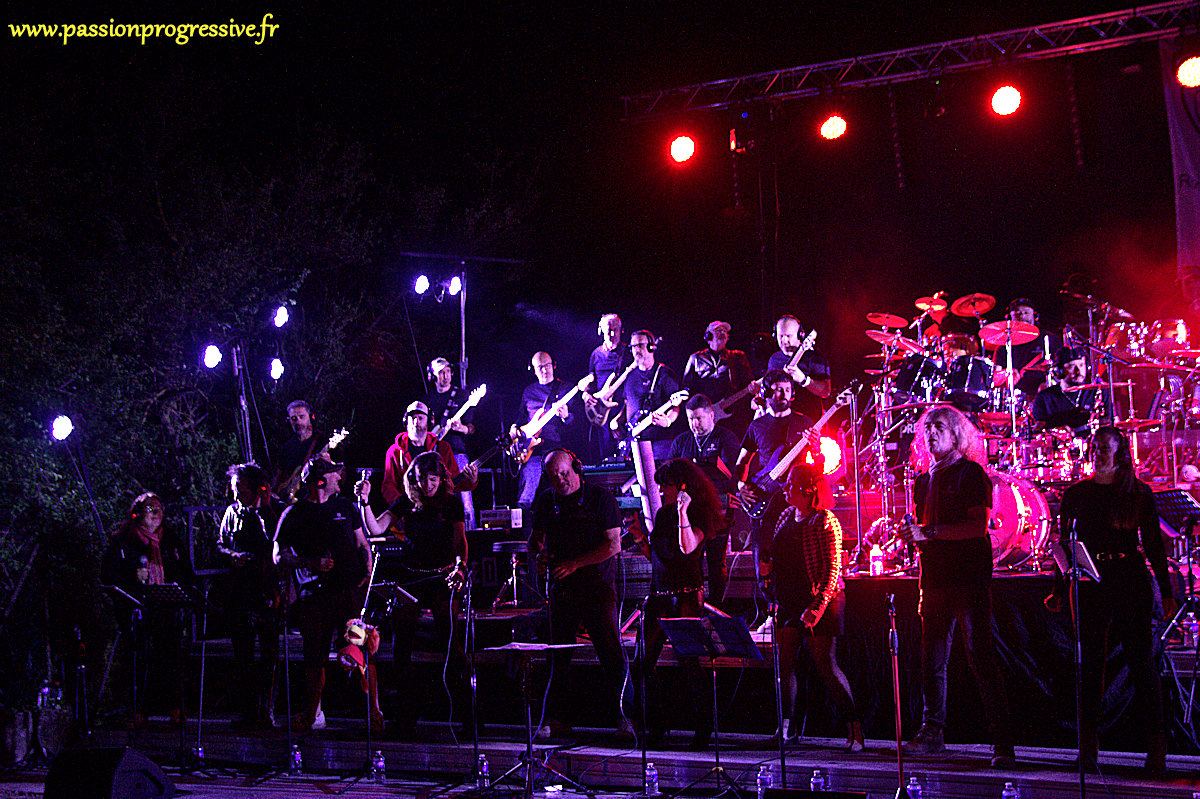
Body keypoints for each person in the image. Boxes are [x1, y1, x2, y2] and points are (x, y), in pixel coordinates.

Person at [1051, 426, 1177, 775]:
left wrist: (1166, 591)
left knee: (1141, 661)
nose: (1097, 453)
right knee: (1090, 664)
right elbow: (1066, 544)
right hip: (1091, 580)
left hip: (1128, 577)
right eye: (1095, 447)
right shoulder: (1077, 494)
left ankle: (1157, 749)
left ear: (1119, 453)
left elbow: (1153, 545)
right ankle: (1088, 748)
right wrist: (1059, 589)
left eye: (1104, 447)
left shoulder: (1136, 492)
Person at [897, 406, 1015, 767]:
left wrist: (928, 532)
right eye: (927, 428)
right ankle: (932, 732)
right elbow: (926, 530)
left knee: (980, 655)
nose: (931, 433)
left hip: (967, 578)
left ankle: (1003, 742)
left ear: (956, 435)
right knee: (931, 659)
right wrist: (913, 535)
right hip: (933, 577)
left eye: (939, 427)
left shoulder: (971, 473)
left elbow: (976, 528)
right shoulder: (923, 480)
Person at [357, 451, 471, 737]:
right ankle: (405, 716)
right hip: (412, 575)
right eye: (422, 480)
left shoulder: (450, 503)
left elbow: (460, 540)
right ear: (414, 479)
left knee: (451, 642)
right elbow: (376, 527)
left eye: (432, 479)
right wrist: (365, 501)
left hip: (442, 574)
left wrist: (460, 567)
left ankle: (468, 717)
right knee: (401, 644)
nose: (427, 485)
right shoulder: (407, 501)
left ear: (441, 478)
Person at [761, 463, 862, 751]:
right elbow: (778, 554)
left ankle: (855, 730)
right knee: (784, 666)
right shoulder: (785, 516)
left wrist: (817, 607)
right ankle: (786, 729)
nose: (785, 488)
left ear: (808, 490)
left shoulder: (825, 521)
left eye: (791, 484)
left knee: (825, 666)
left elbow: (832, 570)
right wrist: (768, 568)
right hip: (789, 601)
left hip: (820, 602)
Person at [527, 449, 624, 738]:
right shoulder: (546, 501)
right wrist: (539, 554)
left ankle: (626, 717)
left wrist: (575, 564)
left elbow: (613, 545)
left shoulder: (600, 498)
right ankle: (556, 718)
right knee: (557, 655)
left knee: (610, 652)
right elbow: (535, 539)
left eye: (564, 473)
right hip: (562, 588)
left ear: (577, 468)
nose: (560, 480)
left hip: (597, 586)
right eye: (554, 477)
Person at [627, 459, 723, 749]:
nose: (660, 491)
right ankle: (657, 725)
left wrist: (683, 511)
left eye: (665, 486)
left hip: (685, 597)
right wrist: (640, 538)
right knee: (641, 663)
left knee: (690, 662)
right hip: (659, 596)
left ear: (682, 486)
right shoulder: (662, 514)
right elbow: (660, 559)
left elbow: (687, 547)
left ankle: (703, 729)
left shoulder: (699, 513)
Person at [274, 457, 375, 732]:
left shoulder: (346, 506)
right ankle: (312, 714)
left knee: (360, 649)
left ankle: (373, 713)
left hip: (348, 596)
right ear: (320, 480)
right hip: (314, 598)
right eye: (333, 473)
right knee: (314, 657)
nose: (339, 477)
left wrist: (367, 569)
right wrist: (309, 563)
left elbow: (362, 543)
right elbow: (278, 555)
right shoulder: (294, 513)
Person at [100, 492, 195, 726]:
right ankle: (137, 710)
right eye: (150, 509)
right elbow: (108, 576)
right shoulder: (123, 541)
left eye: (159, 509)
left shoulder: (170, 540)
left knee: (171, 658)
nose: (156, 514)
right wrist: (132, 577)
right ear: (137, 514)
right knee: (138, 658)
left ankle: (175, 708)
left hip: (167, 608)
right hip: (136, 610)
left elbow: (186, 572)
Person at [217, 462, 283, 729]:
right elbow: (220, 544)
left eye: (241, 490)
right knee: (242, 653)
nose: (236, 495)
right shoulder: (231, 512)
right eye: (234, 489)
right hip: (240, 590)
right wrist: (232, 555)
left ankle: (266, 712)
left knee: (269, 653)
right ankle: (247, 711)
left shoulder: (273, 510)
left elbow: (278, 543)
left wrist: (264, 509)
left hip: (266, 588)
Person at [736, 370, 819, 559]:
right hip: (766, 496)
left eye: (787, 390)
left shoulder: (804, 422)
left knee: (796, 557)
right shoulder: (757, 425)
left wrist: (816, 448)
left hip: (796, 500)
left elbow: (817, 464)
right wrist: (741, 486)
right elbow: (742, 461)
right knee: (764, 557)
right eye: (778, 390)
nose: (784, 395)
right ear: (766, 393)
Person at [668, 394, 741, 605]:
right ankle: (695, 606)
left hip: (718, 511)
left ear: (711, 415)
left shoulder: (726, 438)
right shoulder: (681, 441)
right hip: (690, 513)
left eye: (699, 418)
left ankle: (718, 606)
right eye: (691, 419)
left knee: (716, 562)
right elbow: (670, 472)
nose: (695, 424)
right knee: (692, 561)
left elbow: (731, 473)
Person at [512, 351, 577, 510]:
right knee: (525, 496)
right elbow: (521, 417)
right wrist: (514, 428)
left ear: (553, 366)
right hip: (532, 450)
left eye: (547, 365)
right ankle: (523, 522)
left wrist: (566, 416)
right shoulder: (528, 391)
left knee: (561, 493)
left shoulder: (565, 389)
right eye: (540, 367)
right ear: (533, 370)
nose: (544, 370)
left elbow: (576, 423)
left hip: (555, 448)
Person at [382, 400, 478, 505]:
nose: (416, 422)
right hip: (407, 509)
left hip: (437, 508)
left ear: (429, 422)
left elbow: (453, 481)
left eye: (420, 418)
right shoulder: (395, 451)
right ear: (406, 422)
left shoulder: (443, 448)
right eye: (413, 418)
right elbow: (388, 485)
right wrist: (402, 505)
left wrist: (471, 481)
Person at [424, 356, 477, 530]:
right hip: (434, 455)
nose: (446, 376)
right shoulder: (427, 400)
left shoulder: (461, 396)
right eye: (441, 373)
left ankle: (470, 534)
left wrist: (461, 428)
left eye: (448, 372)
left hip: (457, 453)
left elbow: (472, 429)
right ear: (432, 376)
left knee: (465, 498)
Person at [682, 321, 754, 436]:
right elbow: (687, 389)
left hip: (734, 416)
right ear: (708, 336)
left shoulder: (737, 357)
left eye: (725, 331)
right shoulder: (695, 359)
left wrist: (752, 389)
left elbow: (749, 384)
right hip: (705, 417)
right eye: (718, 330)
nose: (722, 333)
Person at [624, 329, 683, 460]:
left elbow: (675, 406)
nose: (636, 350)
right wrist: (617, 419)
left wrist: (668, 421)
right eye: (633, 346)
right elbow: (627, 403)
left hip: (659, 442)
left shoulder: (664, 374)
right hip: (634, 442)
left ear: (652, 347)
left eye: (640, 345)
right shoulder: (630, 376)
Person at [1031, 345, 1112, 437]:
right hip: (1060, 444)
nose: (1078, 371)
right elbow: (1038, 430)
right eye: (1071, 366)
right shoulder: (1045, 397)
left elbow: (1110, 421)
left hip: (1094, 442)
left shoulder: (1099, 391)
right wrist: (1057, 431)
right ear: (1059, 371)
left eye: (1081, 365)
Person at [766, 316, 830, 421]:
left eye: (788, 336)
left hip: (808, 420)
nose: (784, 340)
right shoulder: (774, 359)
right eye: (780, 336)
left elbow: (825, 391)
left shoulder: (815, 359)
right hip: (778, 422)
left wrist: (804, 380)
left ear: (800, 335)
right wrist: (759, 400)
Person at [992, 298, 1060, 397]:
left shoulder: (1049, 339)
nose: (1022, 316)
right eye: (1018, 313)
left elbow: (1064, 370)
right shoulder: (1003, 346)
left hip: (1045, 394)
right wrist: (1006, 374)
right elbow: (995, 377)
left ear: (1035, 316)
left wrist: (1052, 383)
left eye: (1026, 312)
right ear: (1010, 317)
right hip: (1015, 397)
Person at [273, 400, 329, 498]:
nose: (298, 422)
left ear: (311, 417)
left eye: (301, 417)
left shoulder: (322, 441)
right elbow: (280, 475)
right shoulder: (287, 447)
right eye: (294, 418)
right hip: (294, 498)